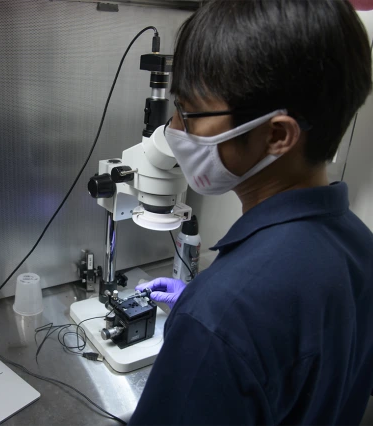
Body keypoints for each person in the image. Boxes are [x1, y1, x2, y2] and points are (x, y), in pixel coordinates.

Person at [130, 0, 373, 424]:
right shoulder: (360, 246)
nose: (173, 129)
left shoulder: (220, 316)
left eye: (189, 112)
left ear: (276, 135)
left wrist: (212, 323)